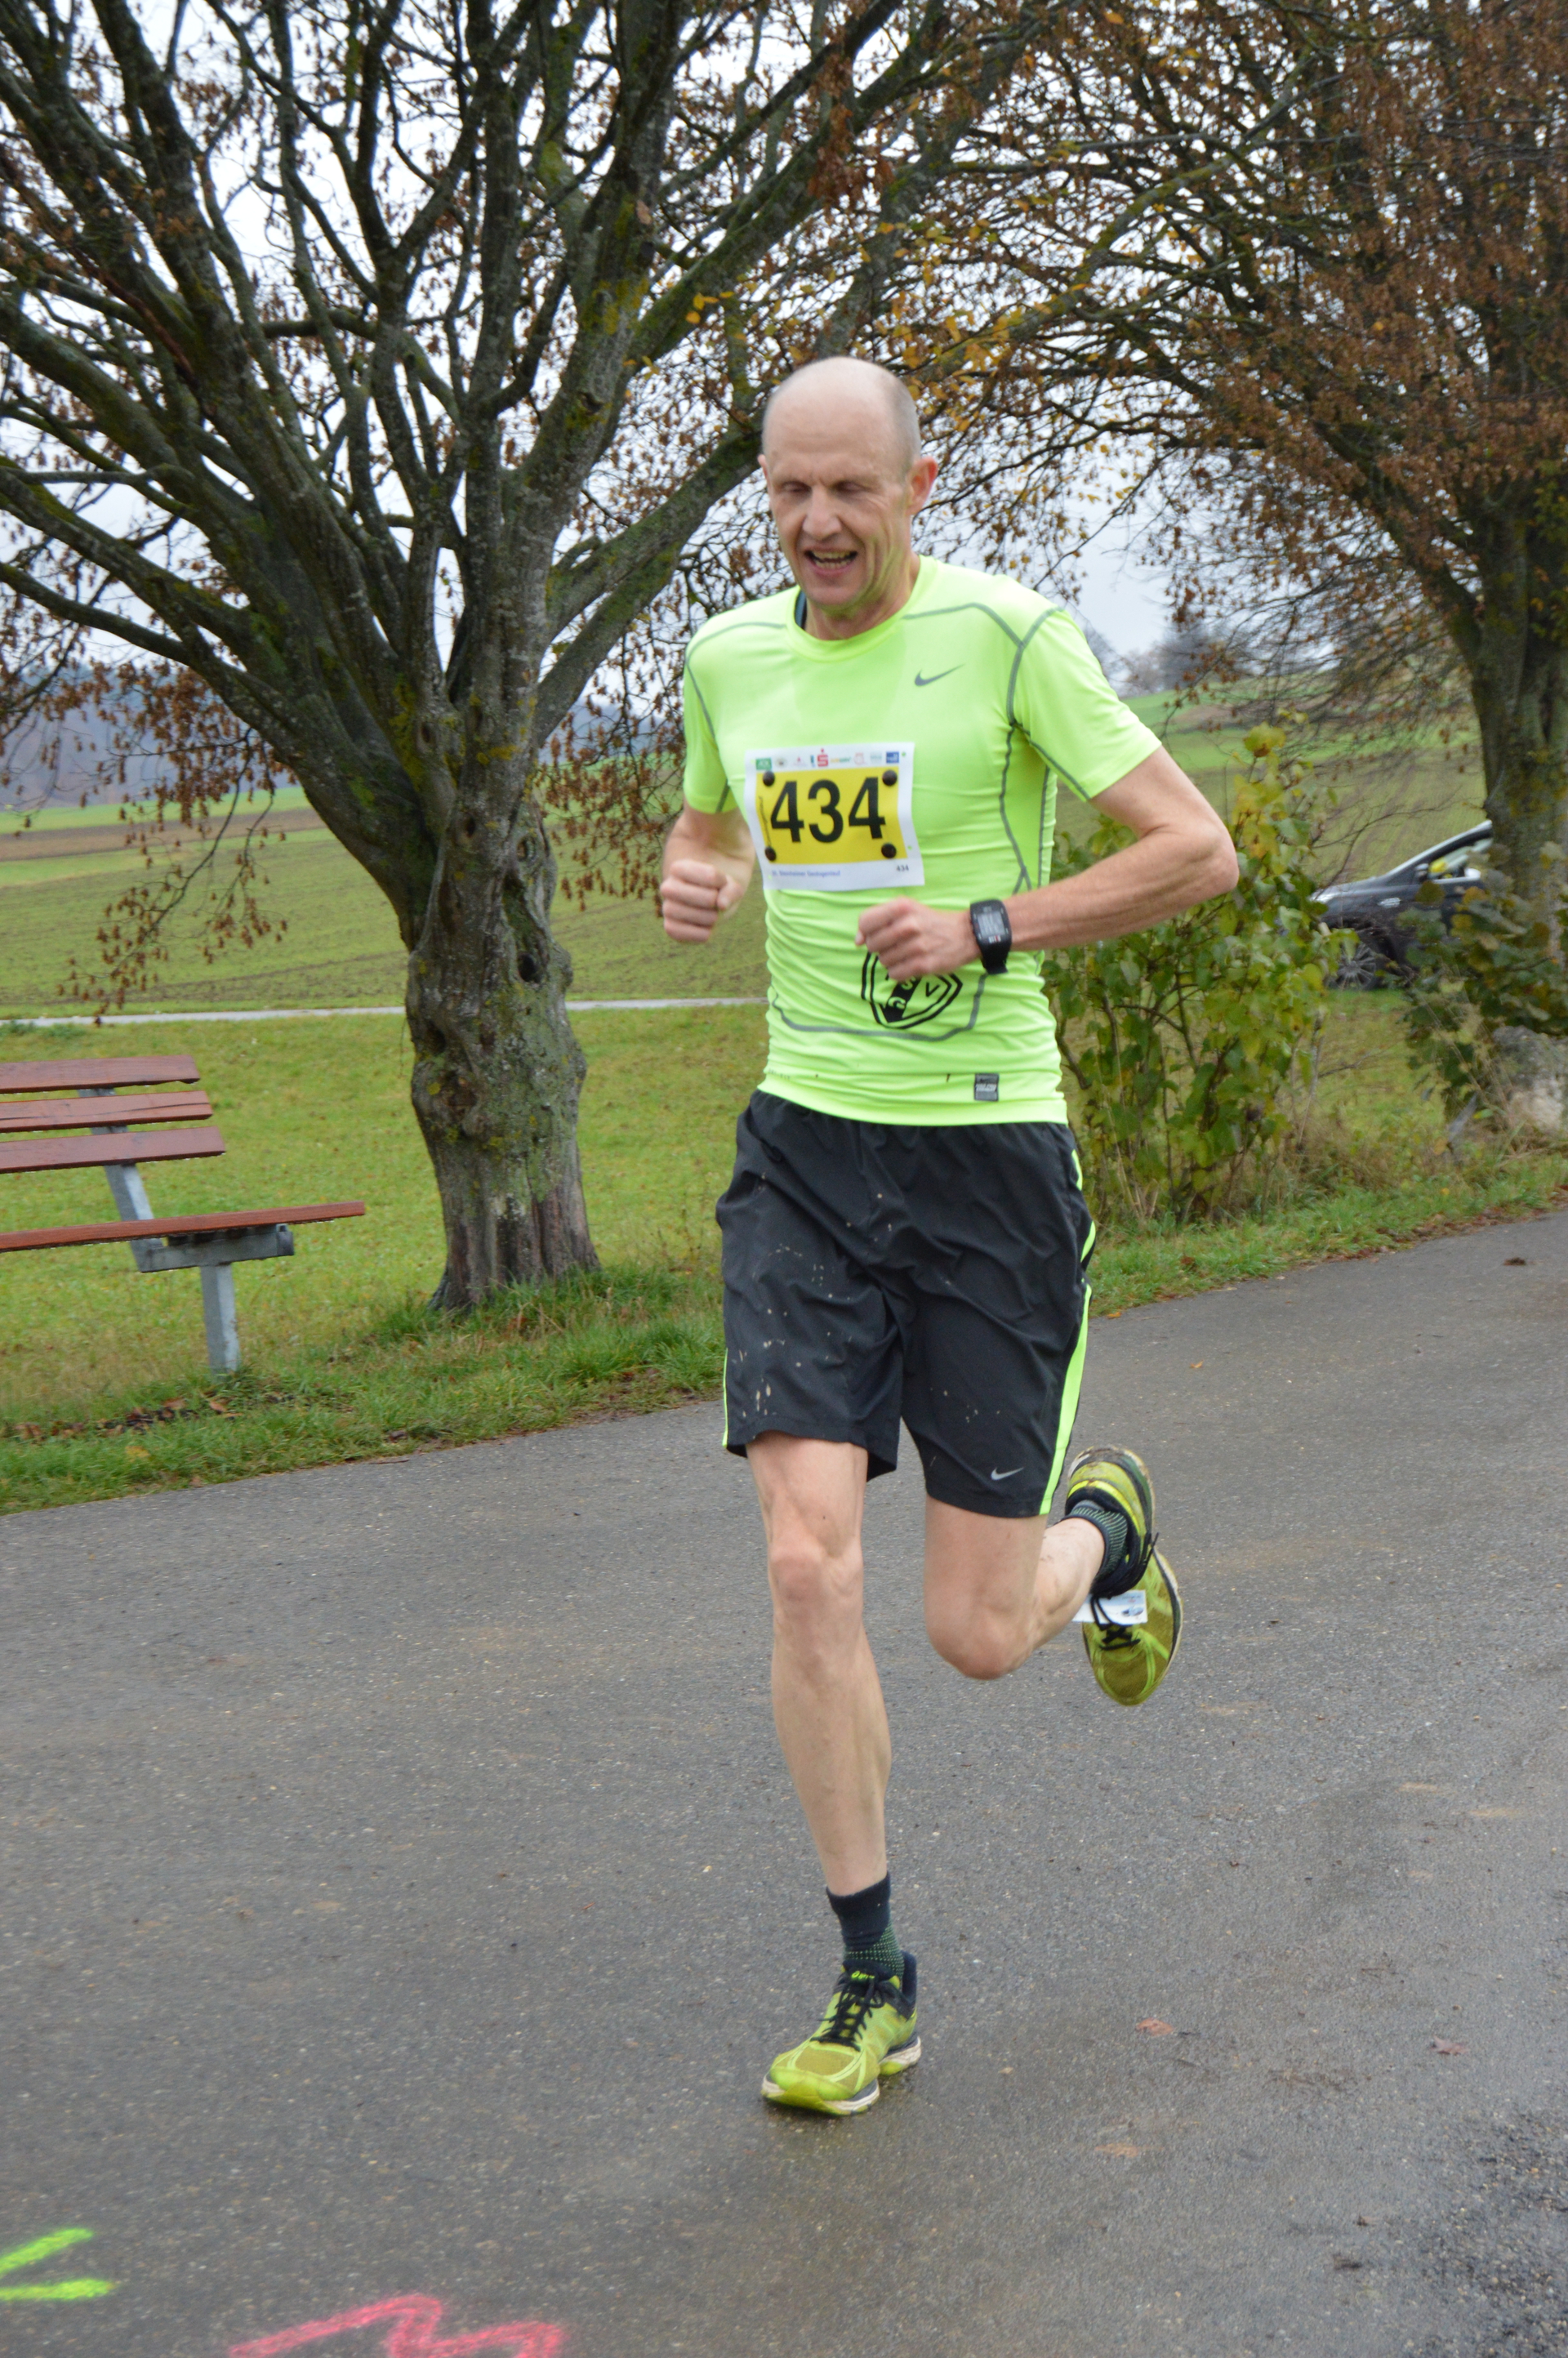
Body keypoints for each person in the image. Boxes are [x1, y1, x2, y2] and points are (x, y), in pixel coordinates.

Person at [658, 354, 1238, 2116]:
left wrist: (992, 921)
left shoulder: (1010, 639)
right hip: (807, 1156)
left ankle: (1106, 1532)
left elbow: (1194, 849)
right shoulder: (727, 659)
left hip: (988, 1163)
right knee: (804, 1566)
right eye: (789, 491)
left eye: (852, 488)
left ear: (919, 485)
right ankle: (873, 1976)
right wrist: (703, 869)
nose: (818, 521)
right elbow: (712, 818)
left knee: (978, 1635)